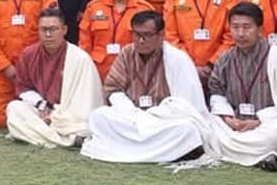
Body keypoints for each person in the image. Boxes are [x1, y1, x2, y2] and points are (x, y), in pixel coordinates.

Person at [80, 10, 211, 164]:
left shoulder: (177, 59)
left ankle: (132, 149)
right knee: (99, 116)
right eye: (136, 35)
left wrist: (152, 115)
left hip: (163, 121)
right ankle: (164, 152)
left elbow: (186, 106)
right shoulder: (127, 54)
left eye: (147, 35)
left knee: (186, 129)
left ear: (161, 35)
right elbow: (113, 88)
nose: (141, 40)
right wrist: (130, 111)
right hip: (132, 118)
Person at [206, 2, 277, 169]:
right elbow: (216, 90)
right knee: (207, 125)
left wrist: (259, 121)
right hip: (235, 124)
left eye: (246, 27)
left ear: (260, 29)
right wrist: (228, 118)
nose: (240, 33)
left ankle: (246, 152)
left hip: (267, 125)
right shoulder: (225, 59)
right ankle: (264, 155)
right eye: (235, 27)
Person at [4, 8, 105, 148]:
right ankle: (67, 141)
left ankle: (42, 135)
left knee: (85, 125)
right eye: (43, 29)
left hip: (69, 115)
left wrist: (55, 115)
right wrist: (42, 106)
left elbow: (87, 103)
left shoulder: (80, 58)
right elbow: (23, 88)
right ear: (37, 30)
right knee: (14, 109)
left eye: (53, 29)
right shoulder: (29, 54)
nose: (48, 34)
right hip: (42, 110)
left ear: (64, 30)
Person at [78, 0, 155, 81]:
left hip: (132, 74)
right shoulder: (94, 7)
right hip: (98, 73)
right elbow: (85, 44)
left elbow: (152, 48)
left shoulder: (144, 10)